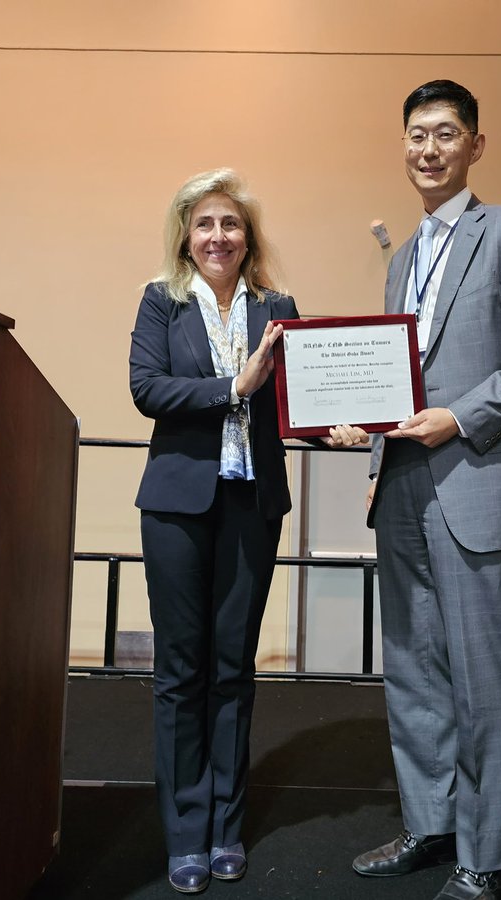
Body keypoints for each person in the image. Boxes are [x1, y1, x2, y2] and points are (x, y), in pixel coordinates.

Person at [350, 80, 501, 900]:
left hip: (471, 476)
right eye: (415, 134)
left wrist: (458, 418)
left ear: (475, 145)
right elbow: (391, 378)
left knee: (482, 678)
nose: (428, 149)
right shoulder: (403, 255)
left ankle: (488, 854)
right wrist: (363, 433)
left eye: (445, 133)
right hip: (401, 483)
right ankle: (431, 823)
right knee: (410, 670)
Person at [129, 169, 362, 894]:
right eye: (204, 224)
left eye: (230, 224)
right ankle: (185, 834)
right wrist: (232, 388)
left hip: (251, 507)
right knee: (181, 673)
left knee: (232, 668)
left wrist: (340, 432)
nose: (218, 236)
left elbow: (298, 404)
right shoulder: (160, 303)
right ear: (185, 236)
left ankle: (227, 826)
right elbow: (146, 388)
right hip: (176, 507)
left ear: (248, 236)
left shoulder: (278, 307)